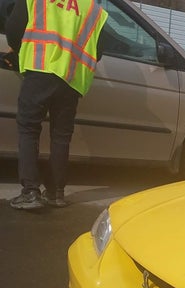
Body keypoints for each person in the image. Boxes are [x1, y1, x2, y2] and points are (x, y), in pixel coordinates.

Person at [6, 0, 108, 210]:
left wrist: (17, 50)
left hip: (39, 68)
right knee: (61, 135)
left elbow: (14, 30)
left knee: (28, 128)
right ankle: (55, 193)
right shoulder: (94, 10)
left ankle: (30, 192)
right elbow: (99, 50)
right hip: (71, 78)